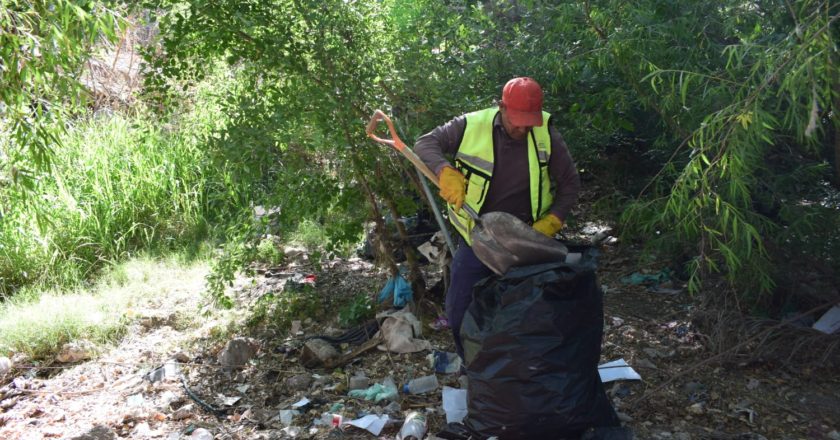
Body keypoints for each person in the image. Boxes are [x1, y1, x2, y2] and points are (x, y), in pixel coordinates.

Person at [414, 77, 581, 360]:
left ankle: (521, 375)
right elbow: (424, 144)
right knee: (459, 311)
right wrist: (444, 170)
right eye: (517, 119)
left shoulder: (545, 133)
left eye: (529, 120)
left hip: (526, 241)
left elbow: (570, 183)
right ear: (501, 106)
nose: (523, 127)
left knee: (527, 316)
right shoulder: (470, 126)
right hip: (479, 238)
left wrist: (552, 221)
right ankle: (474, 372)